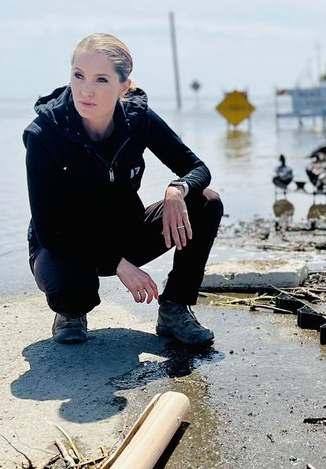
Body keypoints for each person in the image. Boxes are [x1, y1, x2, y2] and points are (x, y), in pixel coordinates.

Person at [23, 33, 222, 347]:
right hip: (65, 245)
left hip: (126, 232)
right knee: (71, 289)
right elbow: (50, 229)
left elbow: (197, 169)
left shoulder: (136, 117)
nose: (86, 90)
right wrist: (117, 263)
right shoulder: (44, 134)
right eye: (78, 76)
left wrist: (177, 190)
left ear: (123, 86)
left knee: (206, 203)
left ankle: (174, 308)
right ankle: (71, 312)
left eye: (101, 80)